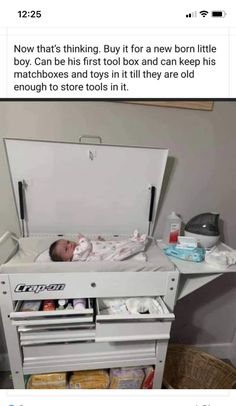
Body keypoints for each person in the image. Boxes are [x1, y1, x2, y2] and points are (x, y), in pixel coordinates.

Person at [49, 231, 147, 262]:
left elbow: (89, 246)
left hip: (104, 248)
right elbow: (87, 246)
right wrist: (82, 238)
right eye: (66, 249)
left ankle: (133, 240)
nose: (70, 244)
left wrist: (99, 242)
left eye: (67, 242)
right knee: (120, 250)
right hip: (105, 254)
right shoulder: (76, 255)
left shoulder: (77, 249)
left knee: (117, 244)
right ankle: (139, 244)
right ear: (66, 260)